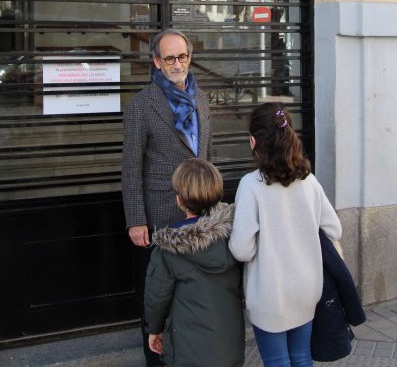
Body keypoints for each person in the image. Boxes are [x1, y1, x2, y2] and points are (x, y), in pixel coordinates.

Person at [122, 29, 214, 367]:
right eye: (170, 58)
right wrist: (136, 219)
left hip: (199, 219)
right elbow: (131, 168)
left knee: (192, 295)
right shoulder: (142, 105)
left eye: (183, 57)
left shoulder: (201, 99)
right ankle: (156, 360)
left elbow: (208, 158)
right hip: (159, 217)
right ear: (158, 63)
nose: (178, 64)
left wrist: (213, 209)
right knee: (157, 298)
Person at [229, 103, 342, 367]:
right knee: (302, 358)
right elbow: (334, 229)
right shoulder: (309, 180)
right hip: (307, 288)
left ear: (254, 140)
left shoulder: (251, 185)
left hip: (270, 294)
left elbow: (242, 249)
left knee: (277, 361)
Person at [144, 159, 245, 367]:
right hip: (229, 346)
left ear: (179, 200)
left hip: (188, 352)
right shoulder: (235, 235)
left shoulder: (168, 249)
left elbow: (157, 297)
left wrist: (154, 330)